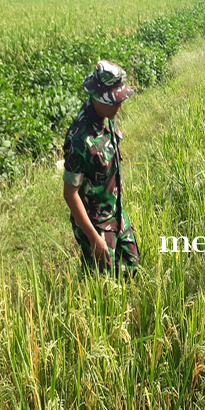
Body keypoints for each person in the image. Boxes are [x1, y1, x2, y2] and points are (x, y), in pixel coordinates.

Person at [62, 60, 139, 277]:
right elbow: (70, 194)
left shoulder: (107, 118)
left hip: (114, 210)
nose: (119, 105)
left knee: (130, 264)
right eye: (115, 101)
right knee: (103, 283)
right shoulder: (80, 137)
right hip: (96, 222)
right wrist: (93, 238)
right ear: (97, 98)